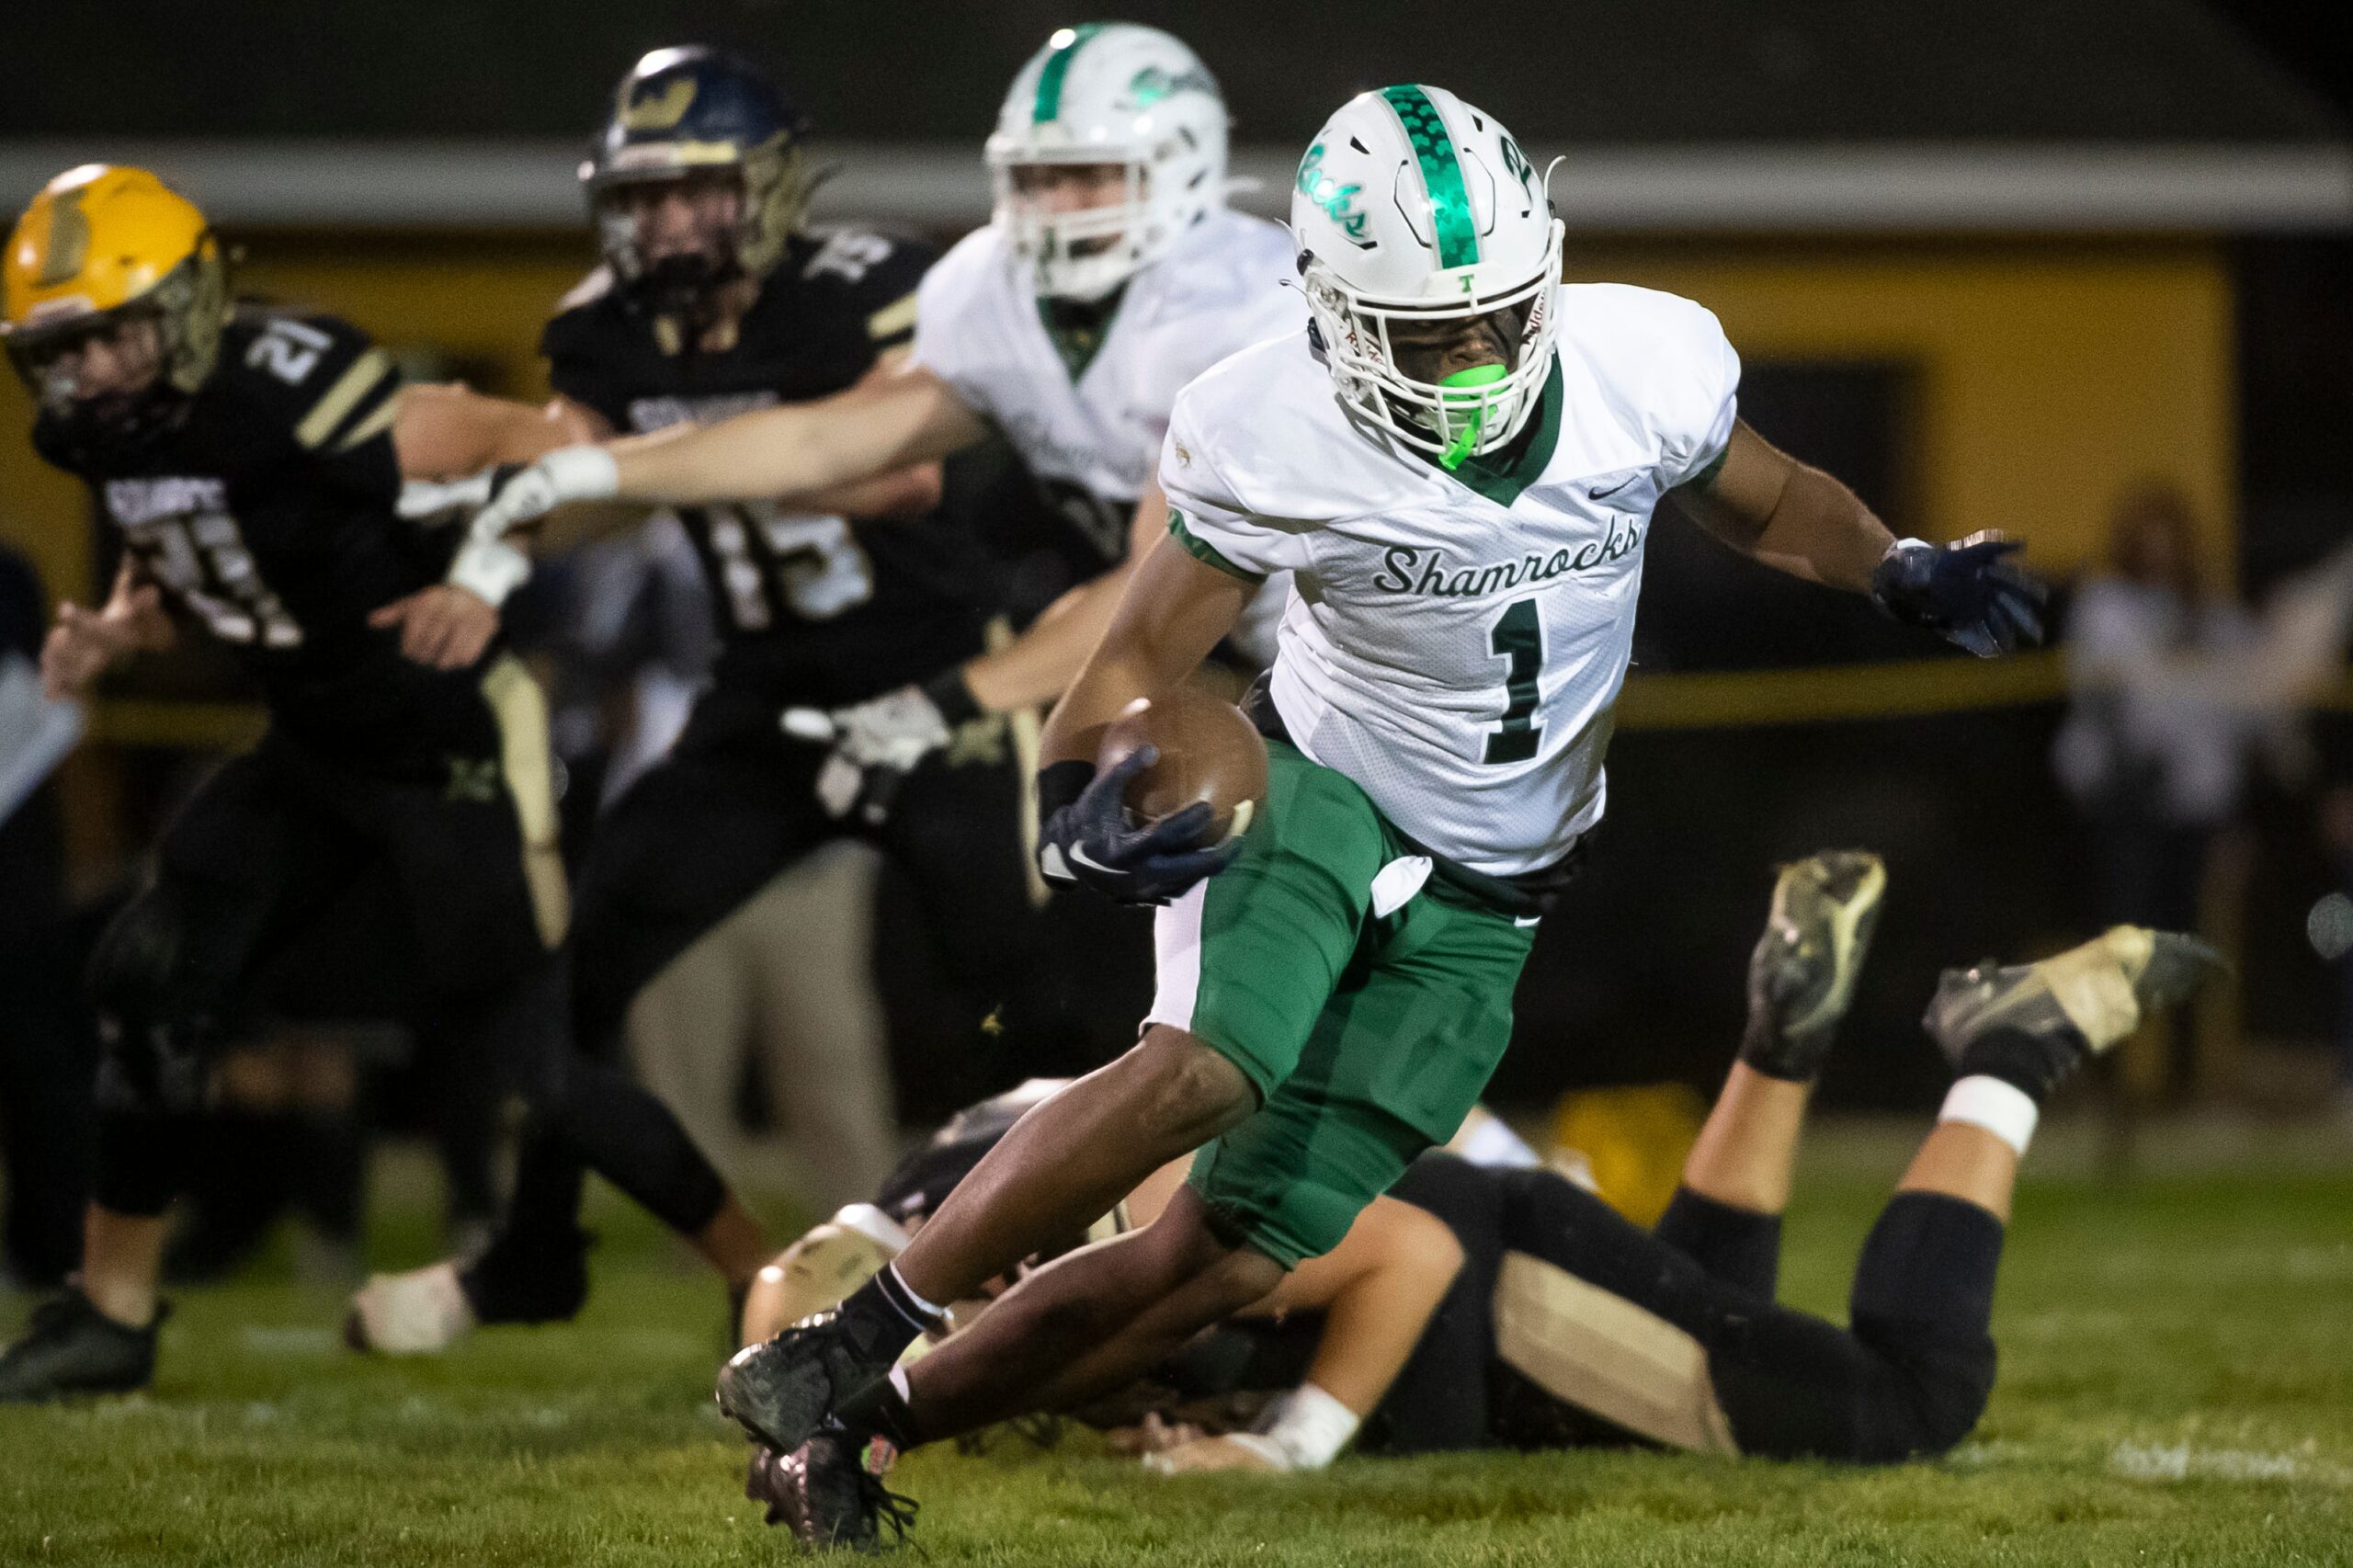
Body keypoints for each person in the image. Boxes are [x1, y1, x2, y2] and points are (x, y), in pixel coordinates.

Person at [705, 85, 2049, 1548]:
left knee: (1222, 1263)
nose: (1476, 353)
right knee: (1208, 1067)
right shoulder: (1269, 421)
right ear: (1335, 315)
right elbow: (1133, 666)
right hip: (1323, 790)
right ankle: (847, 1329)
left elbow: (1770, 498)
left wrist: (1894, 563)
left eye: (1498, 314)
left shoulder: (1638, 359)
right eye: (1432, 330)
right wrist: (1065, 808)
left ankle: (859, 1425)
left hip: (1503, 875)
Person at [736, 855, 2214, 1497]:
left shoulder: (1055, 1212)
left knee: (1906, 1404)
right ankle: (1779, 1040)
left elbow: (1405, 1257)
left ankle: (2003, 1054)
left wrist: (1288, 1444)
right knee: (1725, 1311)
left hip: (1496, 1292)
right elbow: (803, 1285)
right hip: (1477, 1243)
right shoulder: (948, 1197)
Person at [0, 164, 737, 1400]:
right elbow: (194, 519)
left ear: (183, 307)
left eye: (110, 339)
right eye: (62, 351)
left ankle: (760, 1270)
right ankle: (110, 1309)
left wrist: (480, 577)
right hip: (315, 742)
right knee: (143, 977)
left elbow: (553, 448)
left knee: (534, 1059)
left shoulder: (296, 386)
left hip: (447, 736)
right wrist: (132, 619)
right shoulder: (99, 422)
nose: (89, 377)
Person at [344, 44, 991, 1351]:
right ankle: (535, 1253)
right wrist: (486, 552)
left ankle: (1046, 1280)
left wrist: (669, 455)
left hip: (937, 688)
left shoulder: (866, 288)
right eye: (642, 196)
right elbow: (574, 483)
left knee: (1029, 998)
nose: (667, 222)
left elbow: (897, 480)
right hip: (756, 704)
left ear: (767, 185)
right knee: (570, 984)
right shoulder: (606, 328)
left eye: (695, 191)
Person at [425, 22, 1303, 814]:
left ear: (1182, 162)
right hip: (1232, 649)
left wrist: (956, 697)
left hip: (1344, 649)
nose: (1058, 206)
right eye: (1038, 177)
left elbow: (1150, 585)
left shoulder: (1233, 306)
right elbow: (823, 437)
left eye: (1088, 176)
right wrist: (596, 469)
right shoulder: (991, 282)